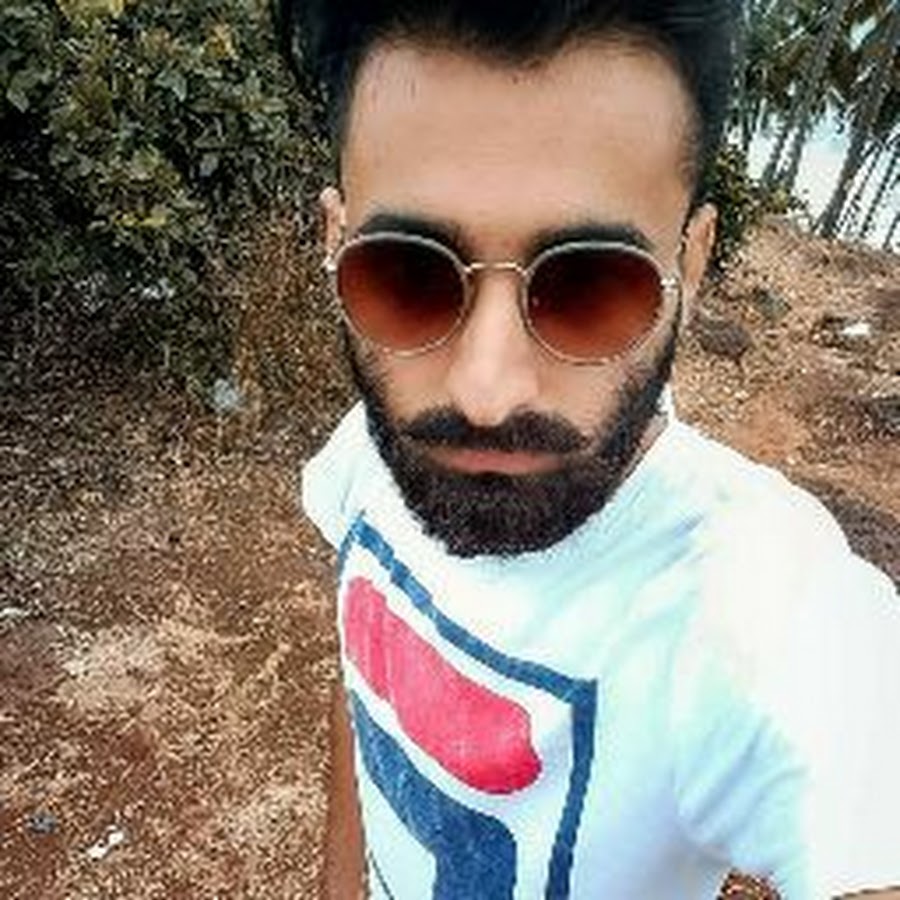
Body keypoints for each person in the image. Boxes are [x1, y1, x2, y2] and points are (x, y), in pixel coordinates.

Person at [281, 1, 900, 897]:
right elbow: (364, 694)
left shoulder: (764, 613)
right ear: (337, 244)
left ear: (691, 264)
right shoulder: (372, 456)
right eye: (409, 273)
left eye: (589, 283)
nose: (485, 393)